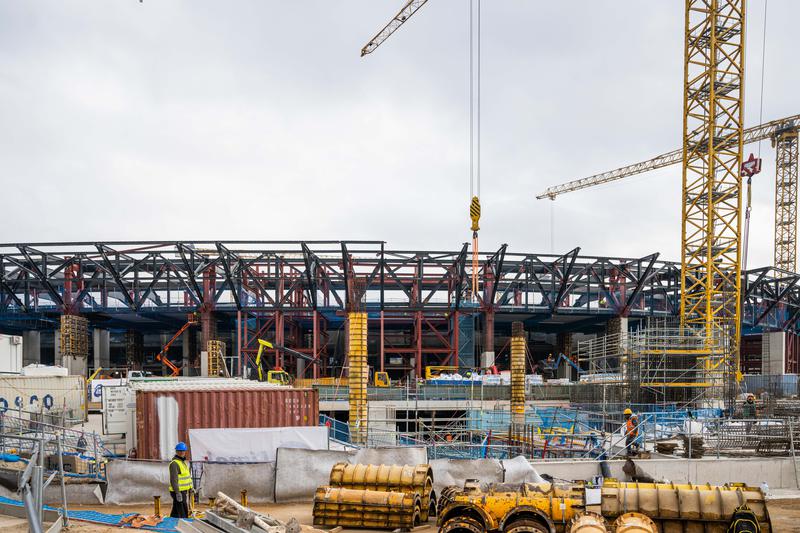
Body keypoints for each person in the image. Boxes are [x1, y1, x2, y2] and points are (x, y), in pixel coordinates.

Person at [168, 442, 193, 518]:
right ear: (176, 451)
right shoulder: (174, 463)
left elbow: (187, 477)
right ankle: (184, 523)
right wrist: (177, 493)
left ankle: (172, 519)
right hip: (178, 491)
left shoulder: (183, 462)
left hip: (183, 491)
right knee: (183, 510)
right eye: (180, 451)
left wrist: (191, 488)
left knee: (176, 508)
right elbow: (173, 480)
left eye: (183, 451)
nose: (182, 452)